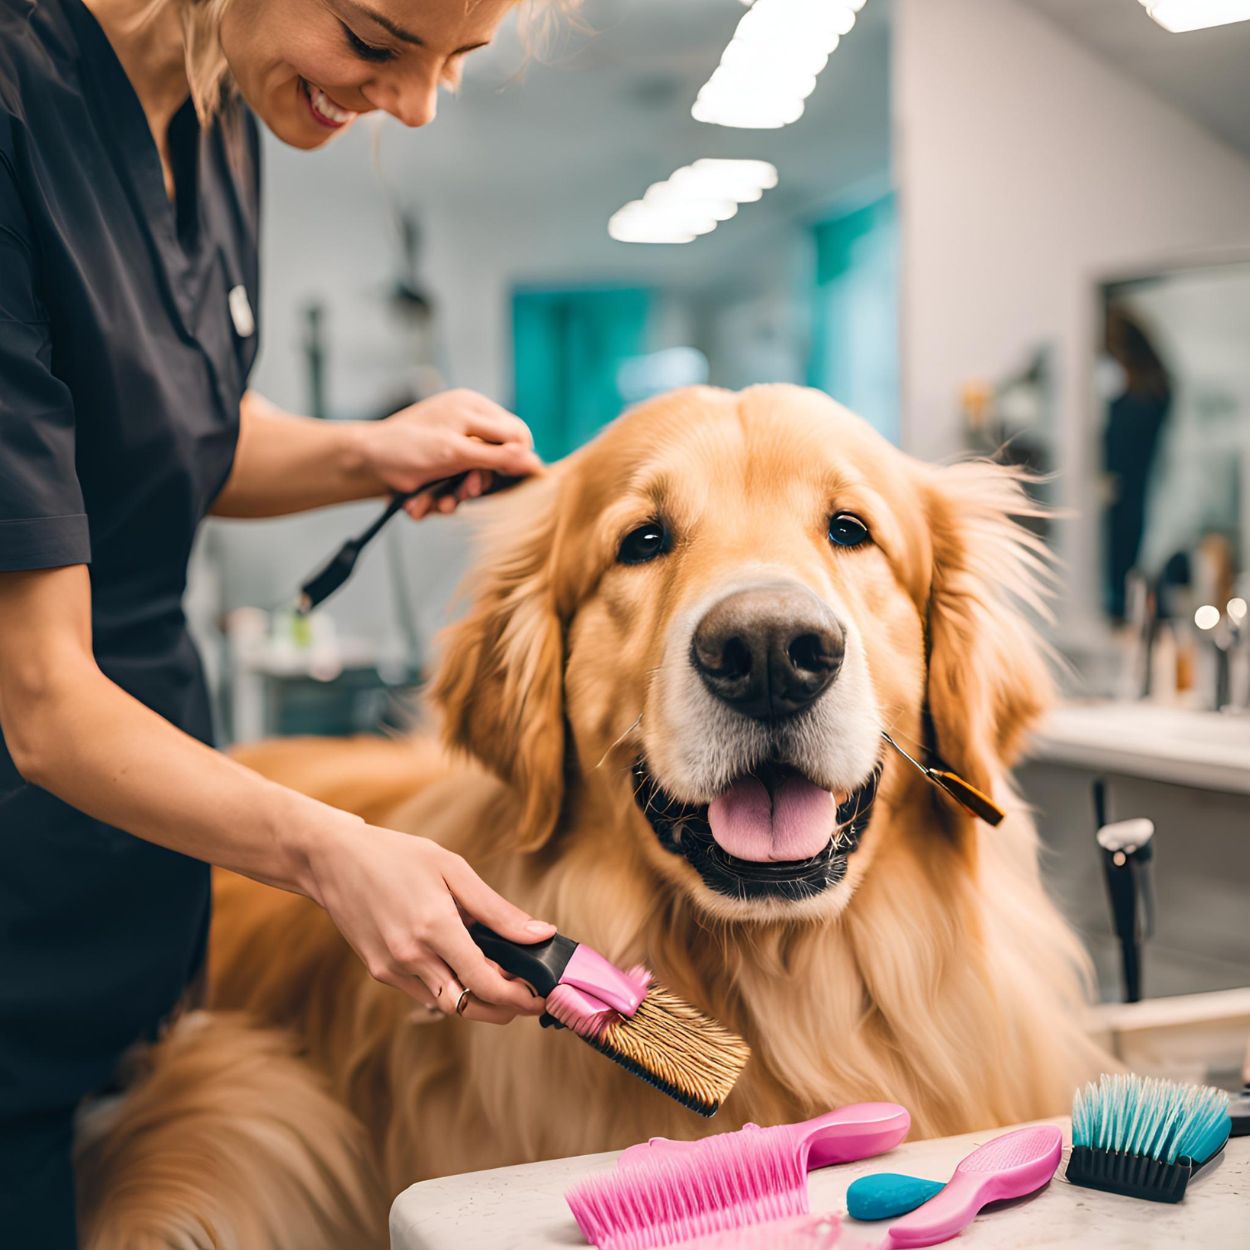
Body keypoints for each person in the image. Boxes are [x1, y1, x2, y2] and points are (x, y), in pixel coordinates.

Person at [0, 0, 572, 1242]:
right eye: (377, 43)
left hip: (135, 859)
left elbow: (152, 434)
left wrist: (373, 451)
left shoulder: (221, 98)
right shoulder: (12, 114)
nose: (413, 108)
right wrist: (328, 851)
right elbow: (42, 703)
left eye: (454, 67)